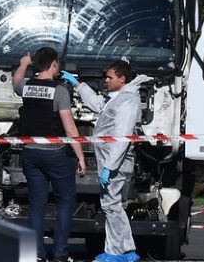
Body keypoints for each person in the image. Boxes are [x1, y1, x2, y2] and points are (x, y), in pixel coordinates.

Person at [61, 61, 149, 262]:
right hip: (111, 163)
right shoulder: (117, 99)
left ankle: (119, 252)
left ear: (122, 79)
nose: (106, 81)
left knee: (112, 206)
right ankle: (122, 250)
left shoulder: (128, 102)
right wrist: (78, 84)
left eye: (110, 77)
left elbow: (121, 137)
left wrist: (109, 167)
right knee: (112, 205)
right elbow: (98, 104)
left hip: (116, 164)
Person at [12, 47, 86, 262]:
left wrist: (24, 63)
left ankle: (36, 254)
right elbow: (70, 128)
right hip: (55, 155)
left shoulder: (27, 87)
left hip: (30, 153)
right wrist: (80, 155)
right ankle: (61, 253)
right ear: (54, 63)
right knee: (65, 202)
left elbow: (15, 81)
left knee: (37, 204)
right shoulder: (59, 90)